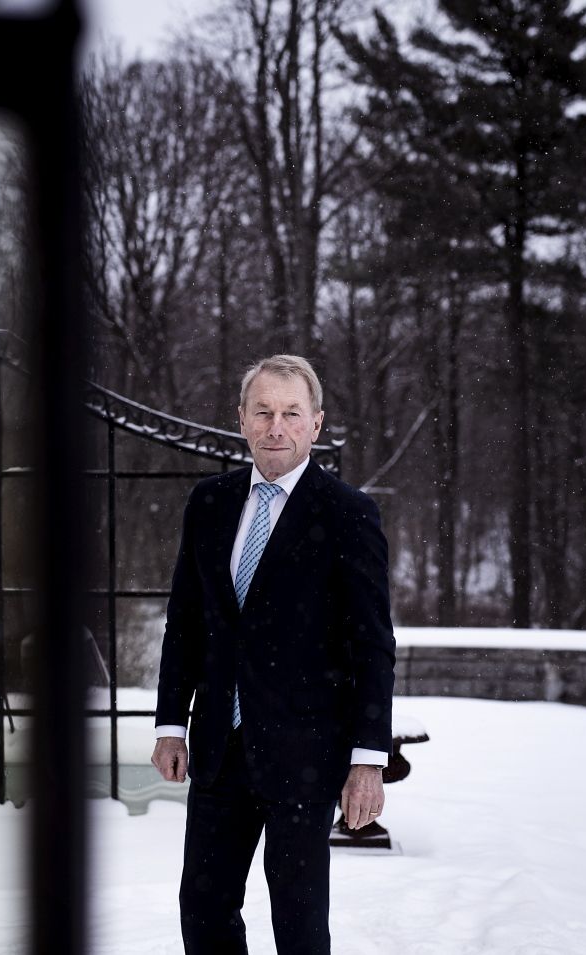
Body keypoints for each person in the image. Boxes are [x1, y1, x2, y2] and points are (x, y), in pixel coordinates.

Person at [151, 354, 396, 955]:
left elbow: (372, 644)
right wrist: (170, 724)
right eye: (262, 412)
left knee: (299, 923)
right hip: (218, 749)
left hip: (305, 754)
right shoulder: (209, 502)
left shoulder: (347, 513)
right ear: (241, 419)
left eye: (291, 413)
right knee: (203, 911)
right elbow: (185, 622)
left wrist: (368, 760)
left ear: (316, 423)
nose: (276, 427)